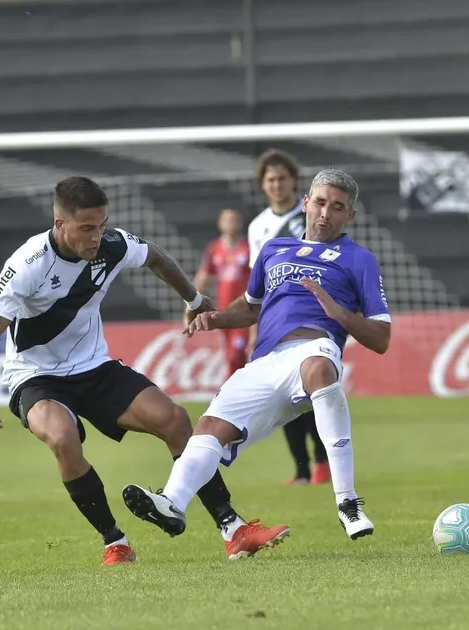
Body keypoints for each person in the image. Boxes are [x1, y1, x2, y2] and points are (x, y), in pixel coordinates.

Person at [0, 176, 289, 566]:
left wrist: (195, 297)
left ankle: (233, 530)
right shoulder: (28, 264)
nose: (96, 237)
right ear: (59, 223)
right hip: (35, 376)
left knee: (174, 419)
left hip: (94, 367)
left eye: (101, 225)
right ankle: (114, 542)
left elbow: (155, 256)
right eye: (86, 228)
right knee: (64, 438)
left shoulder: (111, 245)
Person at [121, 168, 391, 541]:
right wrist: (215, 318)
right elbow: (251, 307)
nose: (327, 213)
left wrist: (339, 313)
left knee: (318, 369)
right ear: (306, 204)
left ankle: (347, 502)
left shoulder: (359, 259)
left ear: (350, 216)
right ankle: (172, 502)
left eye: (339, 207)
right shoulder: (273, 250)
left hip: (315, 348)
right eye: (322, 203)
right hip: (265, 361)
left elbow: (381, 337)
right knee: (210, 426)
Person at [247, 148, 330, 486]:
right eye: (271, 180)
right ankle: (301, 468)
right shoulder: (258, 227)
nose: (277, 184)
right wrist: (256, 324)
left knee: (315, 390)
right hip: (275, 318)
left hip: (313, 314)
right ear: (263, 186)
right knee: (284, 393)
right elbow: (259, 279)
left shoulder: (312, 215)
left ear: (295, 183)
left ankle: (323, 460)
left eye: (283, 178)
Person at [193, 208, 251, 377]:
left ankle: (231, 392)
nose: (230, 223)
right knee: (230, 355)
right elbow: (203, 276)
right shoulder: (214, 249)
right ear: (219, 224)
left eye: (234, 219)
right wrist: (192, 303)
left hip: (243, 311)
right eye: (226, 219)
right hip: (223, 312)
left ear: (240, 223)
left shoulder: (248, 248)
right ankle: (239, 391)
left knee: (237, 354)